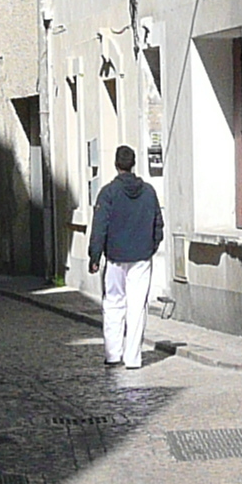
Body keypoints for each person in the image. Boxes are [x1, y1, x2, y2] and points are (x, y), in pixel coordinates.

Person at [85, 146, 164, 369]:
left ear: (116, 165)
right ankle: (133, 358)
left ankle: (112, 354)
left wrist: (95, 255)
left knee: (113, 304)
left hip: (115, 258)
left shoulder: (108, 193)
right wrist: (150, 246)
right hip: (141, 257)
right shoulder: (149, 192)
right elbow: (158, 224)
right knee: (137, 306)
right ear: (133, 164)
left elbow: (100, 226)